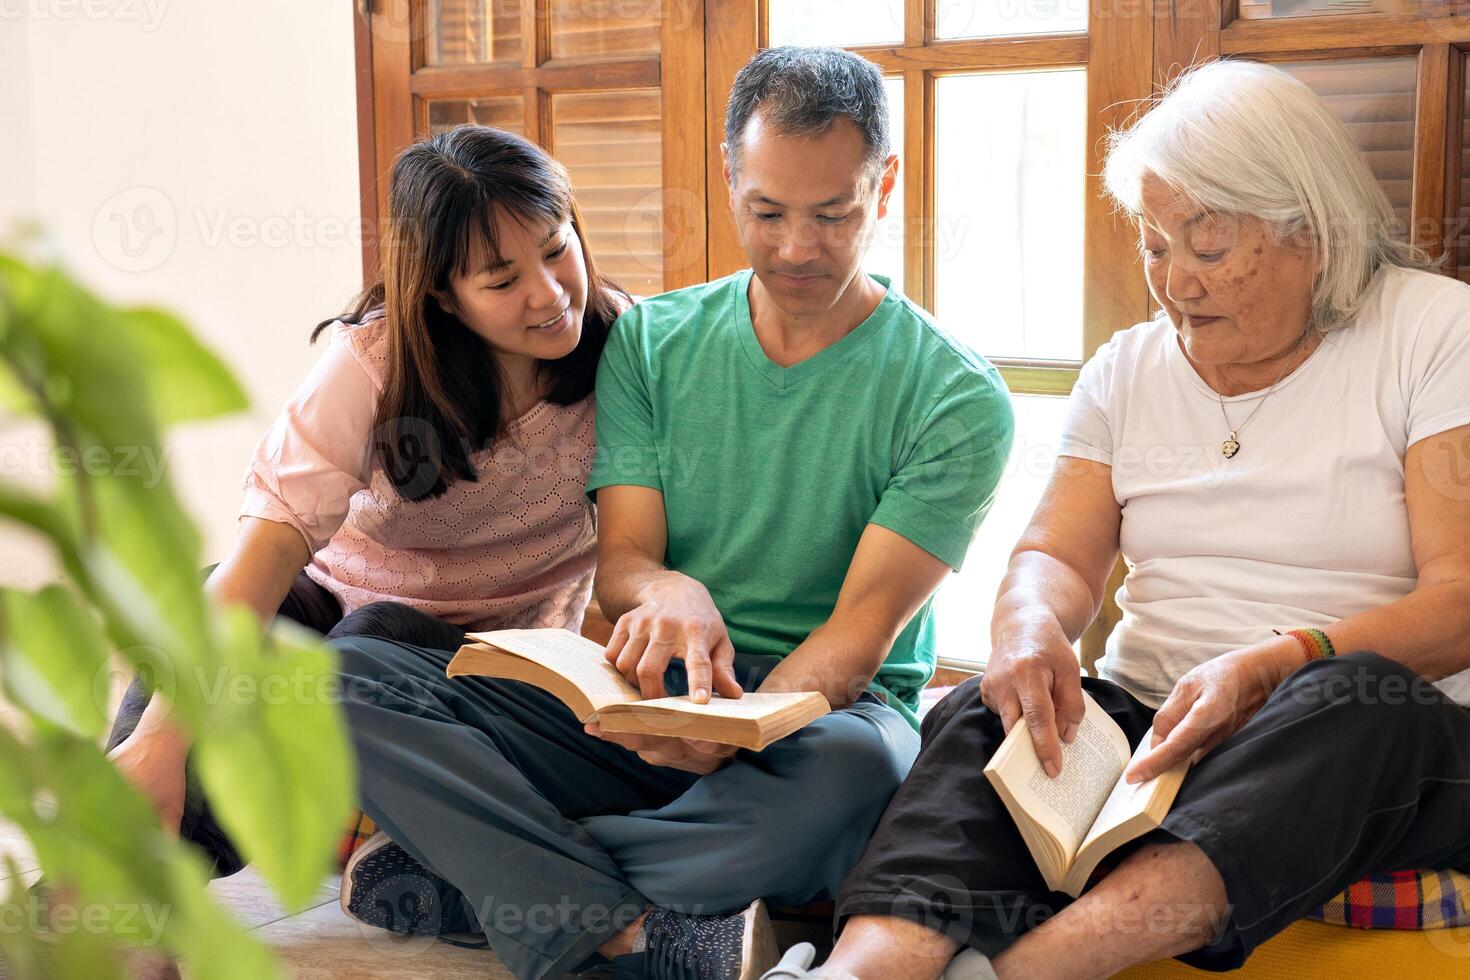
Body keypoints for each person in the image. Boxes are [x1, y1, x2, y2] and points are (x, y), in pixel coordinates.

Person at [761, 60, 1470, 980]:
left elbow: (1458, 601)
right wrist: (1025, 627)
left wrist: (1273, 664)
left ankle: (1022, 974)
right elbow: (1056, 552)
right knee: (987, 708)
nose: (1174, 280)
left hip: (1356, 734)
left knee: (1349, 701)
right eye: (1155, 243)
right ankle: (856, 972)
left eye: (1207, 247)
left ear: (1314, 232)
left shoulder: (1432, 333)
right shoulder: (1128, 368)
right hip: (1152, 722)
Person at [329, 46, 1014, 980]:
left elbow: (857, 640)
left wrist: (737, 729)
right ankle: (641, 927)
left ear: (884, 186)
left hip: (817, 721)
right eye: (767, 212)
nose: (797, 247)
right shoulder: (653, 340)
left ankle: (494, 879)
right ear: (730, 180)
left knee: (856, 785)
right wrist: (670, 597)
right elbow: (626, 564)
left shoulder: (955, 397)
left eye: (834, 212)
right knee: (347, 673)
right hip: (648, 690)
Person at [105, 124, 631, 876]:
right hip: (336, 615)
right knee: (227, 616)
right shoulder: (375, 365)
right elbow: (266, 552)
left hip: (491, 668)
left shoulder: (631, 352)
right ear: (444, 297)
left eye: (556, 249)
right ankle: (121, 882)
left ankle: (384, 840)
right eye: (501, 278)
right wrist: (161, 740)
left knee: (373, 639)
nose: (548, 295)